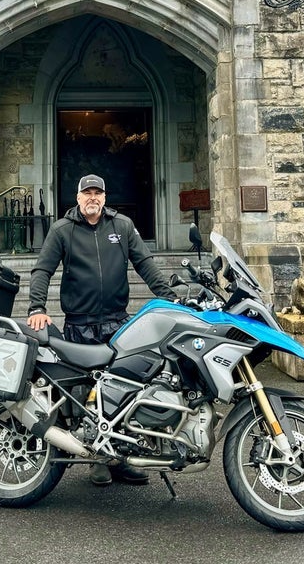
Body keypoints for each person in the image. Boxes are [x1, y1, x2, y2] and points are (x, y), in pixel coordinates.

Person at [26, 173, 177, 487]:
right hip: (79, 325)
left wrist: (171, 299)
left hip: (117, 324)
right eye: (87, 193)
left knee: (124, 392)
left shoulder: (122, 226)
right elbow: (42, 269)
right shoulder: (62, 230)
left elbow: (145, 264)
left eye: (97, 193)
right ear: (78, 197)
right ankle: (97, 461)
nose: (92, 198)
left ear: (105, 198)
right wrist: (37, 307)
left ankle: (121, 459)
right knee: (86, 398)